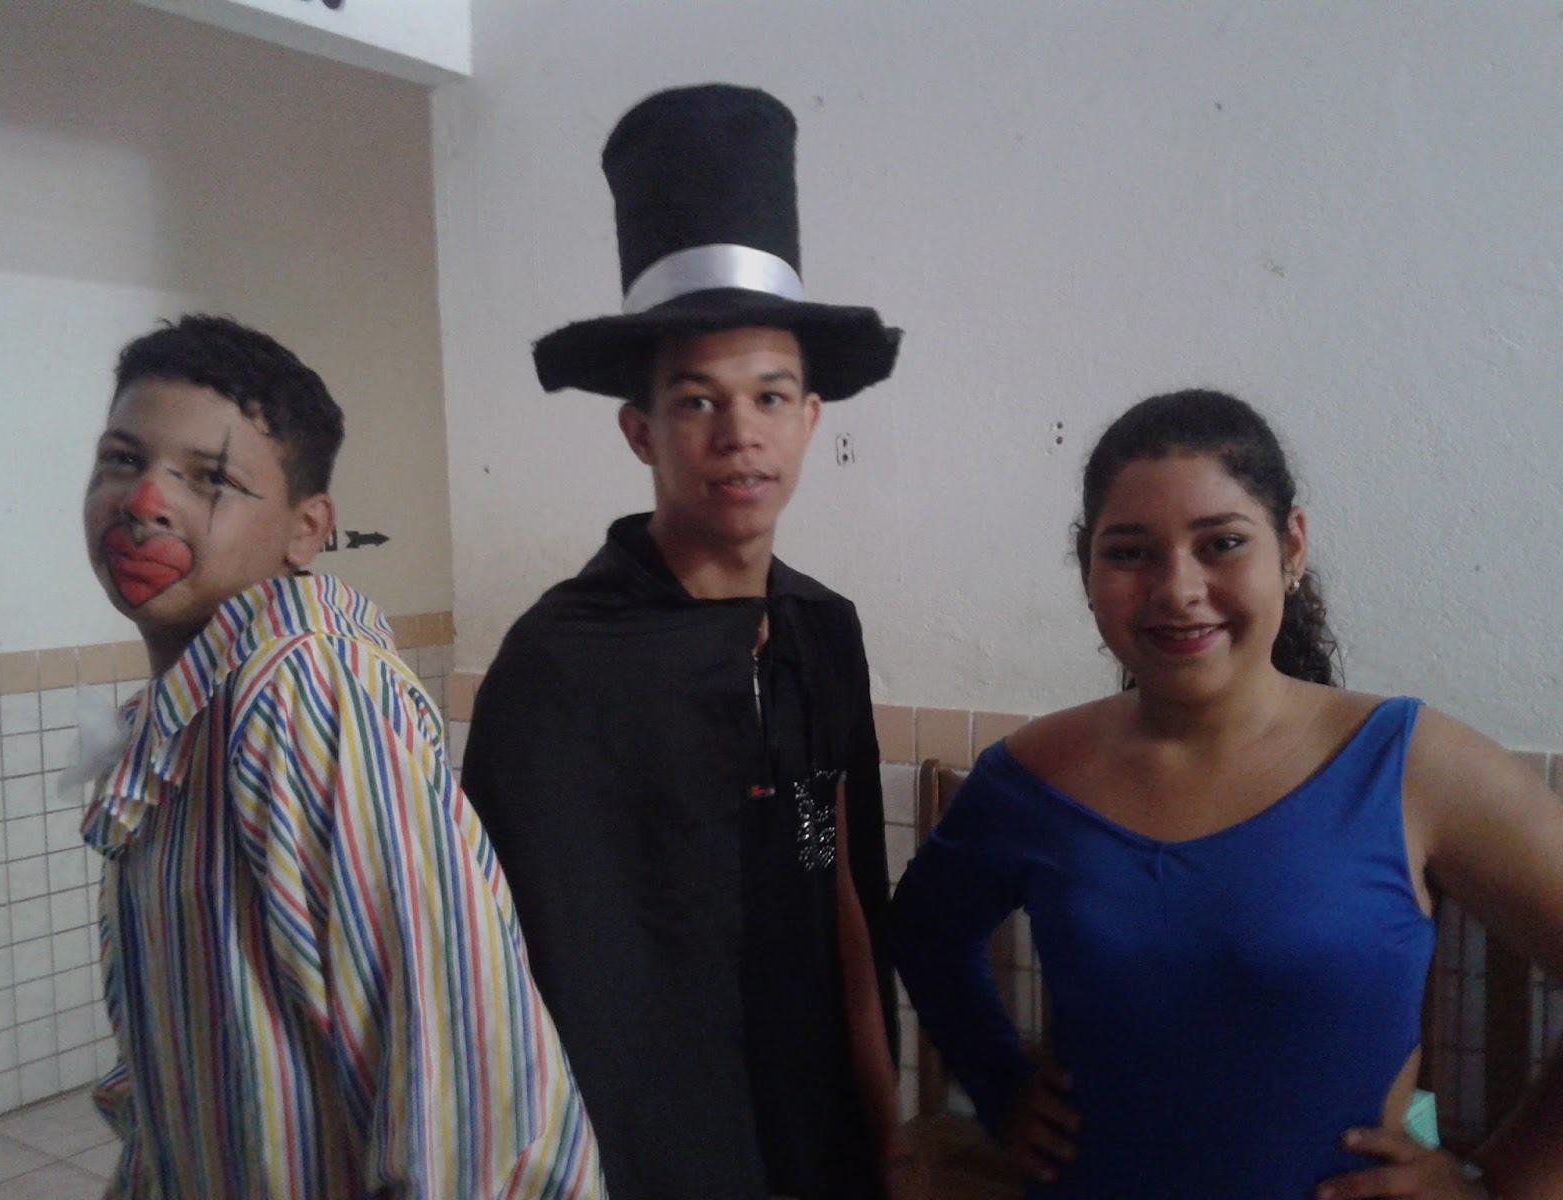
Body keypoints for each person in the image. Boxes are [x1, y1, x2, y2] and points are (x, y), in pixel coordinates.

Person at [888, 389, 1563, 1199]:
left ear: (1292, 547)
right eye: (1130, 552)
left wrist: (1498, 1184)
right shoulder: (1034, 776)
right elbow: (924, 932)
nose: (1178, 589)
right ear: (1087, 568)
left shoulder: (1410, 764)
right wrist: (1000, 1086)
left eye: (1223, 544)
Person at [460, 84, 914, 1200]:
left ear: (810, 419)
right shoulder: (562, 664)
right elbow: (509, 964)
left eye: (771, 396)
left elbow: (832, 878)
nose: (739, 434)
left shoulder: (819, 632)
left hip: (810, 1126)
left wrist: (885, 1125)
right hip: (641, 1147)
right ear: (641, 430)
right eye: (698, 401)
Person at [78, 314, 604, 1199]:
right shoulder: (180, 722)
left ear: (306, 529)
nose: (146, 502)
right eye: (123, 460)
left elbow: (457, 1091)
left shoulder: (300, 691)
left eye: (209, 478)